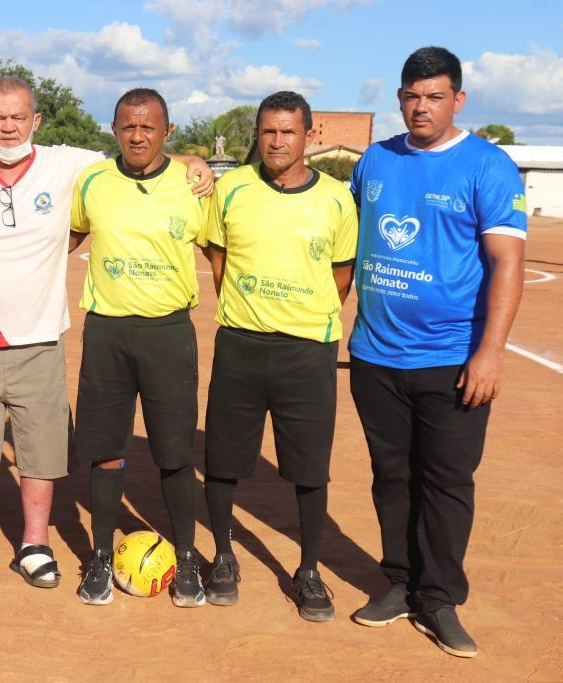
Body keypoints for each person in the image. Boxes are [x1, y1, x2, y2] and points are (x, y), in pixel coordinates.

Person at [0, 77, 213, 588]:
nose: (9, 126)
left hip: (42, 336)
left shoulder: (71, 165)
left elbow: (144, 154)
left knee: (41, 446)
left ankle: (35, 546)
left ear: (35, 121)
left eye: (19, 116)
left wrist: (194, 159)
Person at [348, 46, 527, 657]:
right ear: (398, 98)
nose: (421, 107)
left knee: (447, 481)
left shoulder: (489, 166)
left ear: (458, 99)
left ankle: (441, 597)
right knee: (391, 477)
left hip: (453, 359)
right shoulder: (374, 160)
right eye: (411, 96)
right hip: (375, 356)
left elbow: (508, 263)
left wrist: (490, 352)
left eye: (434, 96)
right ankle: (398, 583)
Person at [197, 91, 358, 619]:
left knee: (309, 469)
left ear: (308, 136)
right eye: (267, 131)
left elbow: (341, 276)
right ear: (257, 135)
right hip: (241, 345)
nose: (276, 141)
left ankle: (308, 570)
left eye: (287, 132)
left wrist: (300, 317)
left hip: (308, 352)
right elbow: (218, 263)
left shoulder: (337, 198)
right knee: (222, 461)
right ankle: (223, 556)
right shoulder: (232, 189)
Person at [68, 88, 211, 607]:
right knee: (106, 453)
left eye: (148, 127)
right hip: (107, 331)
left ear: (167, 132)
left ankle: (189, 559)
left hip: (168, 333)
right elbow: (67, 237)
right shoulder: (93, 182)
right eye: (127, 126)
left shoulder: (195, 185)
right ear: (114, 128)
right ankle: (101, 558)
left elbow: (219, 255)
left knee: (174, 453)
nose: (137, 135)